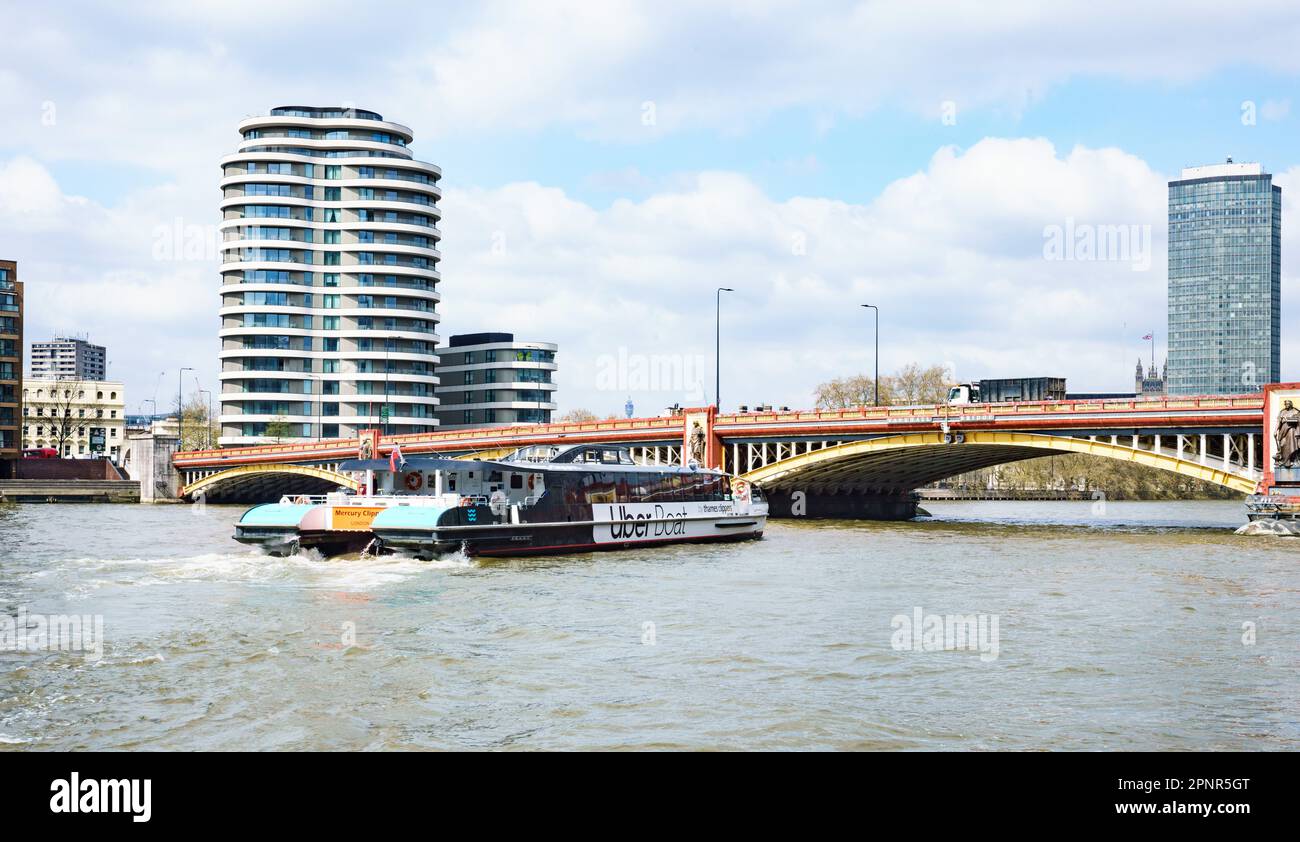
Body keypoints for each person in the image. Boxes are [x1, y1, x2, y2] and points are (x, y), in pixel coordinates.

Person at [1274, 399, 1300, 467]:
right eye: (1285, 404)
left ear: (1291, 404)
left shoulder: (1296, 411)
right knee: (1282, 444)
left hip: (1291, 430)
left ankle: (1293, 460)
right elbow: (1278, 422)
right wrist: (1275, 431)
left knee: (1292, 444)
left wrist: (1291, 420)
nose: (1286, 405)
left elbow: (1298, 421)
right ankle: (1284, 460)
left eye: (1288, 404)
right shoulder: (1282, 412)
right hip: (1283, 431)